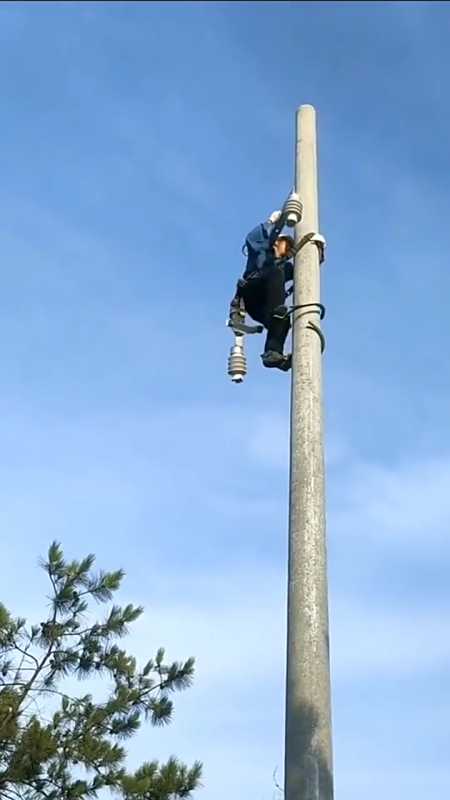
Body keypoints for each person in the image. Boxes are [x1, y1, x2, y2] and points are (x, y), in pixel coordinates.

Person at [229, 209, 295, 371]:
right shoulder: (262, 253)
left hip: (263, 307)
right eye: (286, 246)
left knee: (283, 320)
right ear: (277, 242)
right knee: (275, 272)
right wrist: (271, 223)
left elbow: (303, 272)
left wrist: (316, 252)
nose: (287, 251)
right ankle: (276, 314)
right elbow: (252, 238)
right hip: (252, 292)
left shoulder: (285, 267)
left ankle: (273, 354)